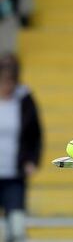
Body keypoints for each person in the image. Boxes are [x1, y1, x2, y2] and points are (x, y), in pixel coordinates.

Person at [0, 53, 40, 216]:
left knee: (16, 220)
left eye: (10, 81)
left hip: (14, 174)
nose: (7, 86)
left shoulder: (24, 99)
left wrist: (31, 160)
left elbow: (34, 133)